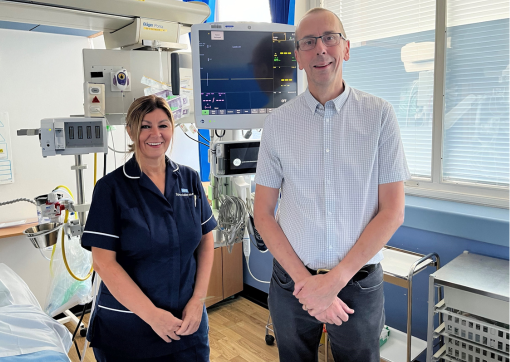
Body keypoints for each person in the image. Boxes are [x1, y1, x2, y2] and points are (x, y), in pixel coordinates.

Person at [253, 8, 410, 362]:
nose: (320, 48)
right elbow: (262, 213)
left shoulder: (379, 116)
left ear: (346, 48)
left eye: (329, 38)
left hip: (357, 283)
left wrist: (333, 283)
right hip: (292, 283)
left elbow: (393, 211)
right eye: (308, 42)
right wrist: (308, 286)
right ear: (298, 57)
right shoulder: (278, 124)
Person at [81, 95, 217, 362]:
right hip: (129, 329)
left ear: (172, 129)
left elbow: (205, 240)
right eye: (145, 126)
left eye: (163, 125)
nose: (156, 134)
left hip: (186, 324)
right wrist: (153, 316)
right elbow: (103, 263)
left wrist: (197, 300)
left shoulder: (189, 179)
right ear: (130, 131)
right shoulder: (111, 188)